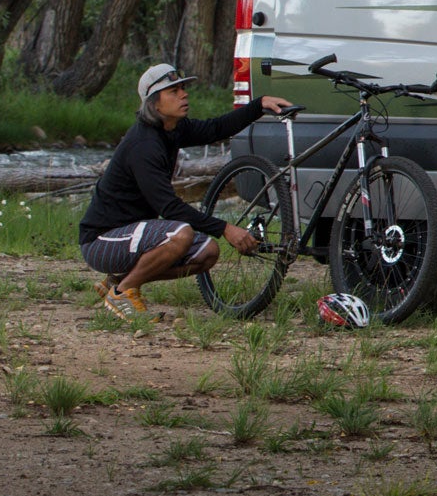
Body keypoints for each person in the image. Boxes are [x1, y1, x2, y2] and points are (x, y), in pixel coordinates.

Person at [78, 64, 291, 319]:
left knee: (207, 253)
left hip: (132, 236)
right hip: (102, 241)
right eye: (173, 91)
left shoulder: (172, 129)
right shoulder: (143, 145)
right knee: (181, 234)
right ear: (154, 104)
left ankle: (118, 281)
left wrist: (259, 105)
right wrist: (226, 228)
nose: (184, 94)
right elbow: (169, 207)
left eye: (182, 88)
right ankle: (123, 292)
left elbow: (216, 129)